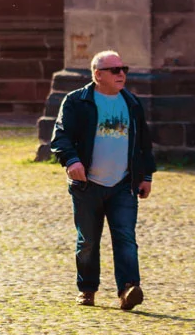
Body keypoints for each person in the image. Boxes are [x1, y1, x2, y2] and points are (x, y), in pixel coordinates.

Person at [47, 50, 156, 310]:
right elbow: (60, 136)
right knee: (88, 241)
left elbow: (144, 143)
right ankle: (87, 289)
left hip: (123, 185)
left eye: (124, 69)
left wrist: (147, 175)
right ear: (98, 74)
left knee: (126, 239)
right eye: (115, 70)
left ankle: (128, 288)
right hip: (87, 185)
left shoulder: (131, 102)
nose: (122, 74)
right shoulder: (76, 101)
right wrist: (72, 161)